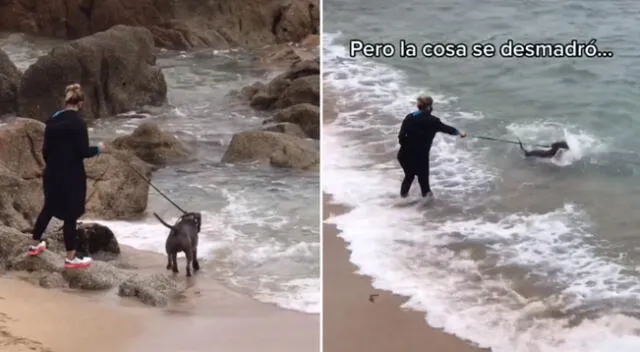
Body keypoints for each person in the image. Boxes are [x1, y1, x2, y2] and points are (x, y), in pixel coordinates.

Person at [27, 83, 104, 269]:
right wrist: (98, 149)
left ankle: (34, 244)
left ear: (66, 100)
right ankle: (71, 257)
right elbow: (82, 151)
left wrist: (53, 163)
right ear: (81, 103)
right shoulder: (78, 123)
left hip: (52, 172)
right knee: (71, 215)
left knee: (48, 208)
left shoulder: (53, 119)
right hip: (71, 175)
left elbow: (45, 150)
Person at [397, 95, 467, 198]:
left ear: (418, 106)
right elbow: (447, 129)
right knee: (424, 181)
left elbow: (401, 137)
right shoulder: (433, 121)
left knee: (409, 176)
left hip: (404, 155)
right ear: (430, 107)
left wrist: (408, 146)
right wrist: (459, 133)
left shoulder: (409, 117)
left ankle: (402, 199)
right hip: (420, 157)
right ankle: (427, 207)